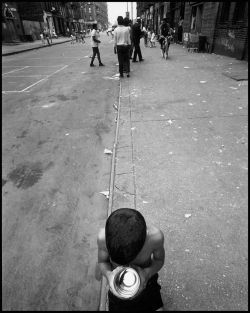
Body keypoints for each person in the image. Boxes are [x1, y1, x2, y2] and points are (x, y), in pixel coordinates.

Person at [97, 208, 165, 311]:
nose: (128, 265)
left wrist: (147, 274)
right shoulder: (103, 238)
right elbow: (102, 262)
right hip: (119, 285)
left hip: (148, 281)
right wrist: (109, 275)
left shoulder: (155, 237)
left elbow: (159, 260)